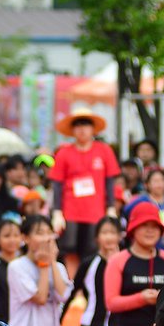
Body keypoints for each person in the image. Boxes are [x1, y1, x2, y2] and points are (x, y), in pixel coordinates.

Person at [50, 107, 120, 282]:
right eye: (78, 125)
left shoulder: (104, 151)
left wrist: (111, 207)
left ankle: (91, 282)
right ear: (73, 129)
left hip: (96, 212)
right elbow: (57, 185)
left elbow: (110, 182)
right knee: (70, 249)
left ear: (93, 128)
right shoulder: (64, 153)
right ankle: (73, 284)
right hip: (70, 212)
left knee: (93, 249)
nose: (82, 129)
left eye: (86, 124)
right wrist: (57, 212)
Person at [103, 201, 164, 326]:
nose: (150, 231)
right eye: (144, 225)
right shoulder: (118, 260)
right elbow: (111, 302)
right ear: (133, 229)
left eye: (154, 226)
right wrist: (142, 298)